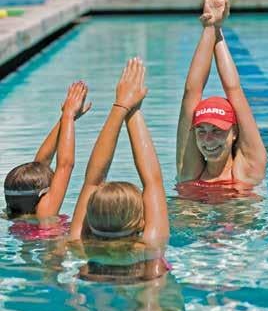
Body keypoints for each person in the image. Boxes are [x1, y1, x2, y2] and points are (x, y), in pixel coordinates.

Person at [69, 58, 170, 282]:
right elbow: (152, 180)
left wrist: (121, 106)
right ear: (141, 221)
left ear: (90, 221)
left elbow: (92, 181)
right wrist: (131, 109)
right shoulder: (151, 247)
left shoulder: (79, 245)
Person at [176, 0, 266, 195]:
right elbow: (191, 92)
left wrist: (216, 29)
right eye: (202, 131)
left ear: (234, 132)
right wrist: (210, 26)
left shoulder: (247, 171)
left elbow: (234, 90)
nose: (208, 140)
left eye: (217, 131)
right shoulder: (188, 173)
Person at [3, 81, 90, 220]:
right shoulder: (45, 214)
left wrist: (66, 119)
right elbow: (65, 165)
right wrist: (68, 115)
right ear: (43, 195)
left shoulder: (13, 216)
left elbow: (40, 165)